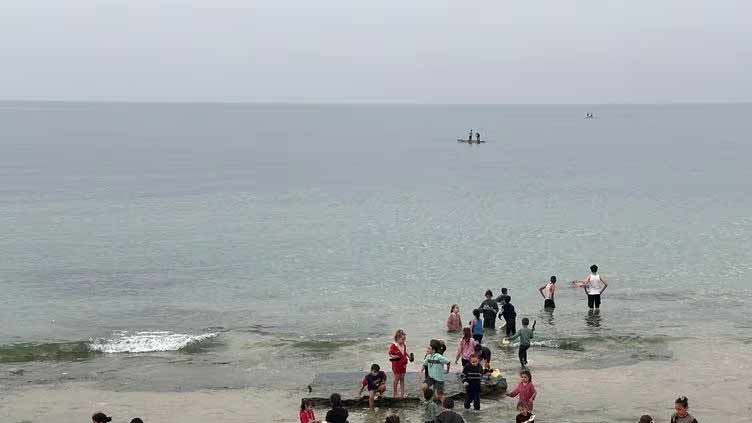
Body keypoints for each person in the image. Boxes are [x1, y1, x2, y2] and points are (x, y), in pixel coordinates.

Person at [388, 329, 409, 398]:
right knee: (397, 378)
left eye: (404, 339)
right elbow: (390, 354)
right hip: (396, 365)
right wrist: (394, 356)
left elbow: (405, 352)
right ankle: (395, 393)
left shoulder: (404, 345)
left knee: (402, 378)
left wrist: (409, 356)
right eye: (402, 339)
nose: (404, 341)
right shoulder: (394, 346)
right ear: (397, 338)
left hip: (404, 365)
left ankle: (402, 394)